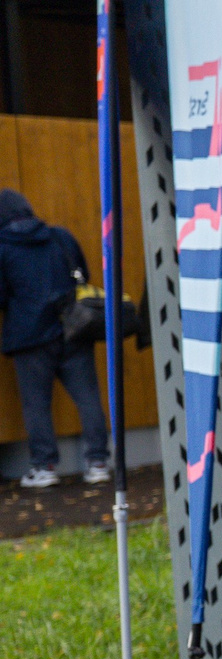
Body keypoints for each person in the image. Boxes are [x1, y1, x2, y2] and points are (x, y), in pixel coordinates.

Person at [0, 189, 111, 490]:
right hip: (73, 328)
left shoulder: (3, 248)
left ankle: (44, 467)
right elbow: (83, 276)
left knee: (36, 404)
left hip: (30, 336)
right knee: (88, 397)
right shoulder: (60, 237)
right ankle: (98, 463)